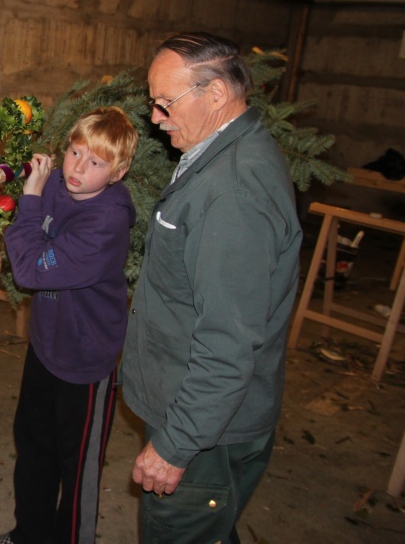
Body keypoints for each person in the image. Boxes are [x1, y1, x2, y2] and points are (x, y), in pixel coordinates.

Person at [120, 32, 302, 542]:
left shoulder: (234, 192)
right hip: (202, 414)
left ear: (216, 93)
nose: (155, 117)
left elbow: (227, 342)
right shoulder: (221, 152)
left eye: (165, 102)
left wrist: (175, 445)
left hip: (206, 432)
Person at [0, 106, 139, 544]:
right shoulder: (57, 184)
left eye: (95, 162)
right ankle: (29, 535)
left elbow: (30, 270)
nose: (78, 168)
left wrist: (30, 199)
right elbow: (22, 216)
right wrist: (29, 181)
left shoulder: (105, 221)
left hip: (84, 361)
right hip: (46, 345)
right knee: (33, 445)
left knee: (78, 467)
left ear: (118, 173)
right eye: (74, 152)